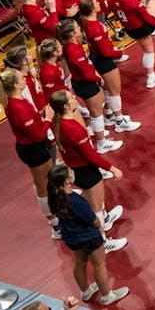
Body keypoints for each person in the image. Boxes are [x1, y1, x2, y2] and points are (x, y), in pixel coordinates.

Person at [49, 88, 126, 241]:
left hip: (75, 169)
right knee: (96, 206)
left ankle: (105, 220)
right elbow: (90, 155)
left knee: (94, 202)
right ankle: (103, 241)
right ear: (65, 106)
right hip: (86, 171)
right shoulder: (74, 129)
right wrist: (112, 168)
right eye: (71, 98)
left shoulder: (58, 124)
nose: (74, 98)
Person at [46, 164, 129, 304]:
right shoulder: (75, 200)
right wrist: (100, 228)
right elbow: (91, 219)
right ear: (66, 181)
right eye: (70, 172)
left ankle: (85, 291)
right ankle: (107, 296)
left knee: (79, 262)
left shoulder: (54, 196)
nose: (73, 172)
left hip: (71, 237)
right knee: (99, 264)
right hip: (88, 236)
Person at [0, 66, 58, 237]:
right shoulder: (17, 106)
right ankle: (55, 225)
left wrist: (41, 117)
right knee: (44, 186)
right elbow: (36, 135)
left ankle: (57, 215)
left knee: (45, 182)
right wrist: (48, 119)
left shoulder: (17, 101)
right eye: (21, 78)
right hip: (33, 149)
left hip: (32, 146)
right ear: (15, 85)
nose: (24, 79)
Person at [100, 0, 155, 90]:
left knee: (147, 51)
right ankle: (151, 77)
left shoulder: (111, 0)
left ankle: (151, 76)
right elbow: (146, 17)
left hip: (130, 29)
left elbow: (122, 6)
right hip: (142, 27)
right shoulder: (131, 0)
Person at [78, 0, 135, 132]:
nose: (99, 3)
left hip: (96, 58)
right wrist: (118, 52)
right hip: (104, 60)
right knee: (115, 91)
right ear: (92, 9)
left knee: (107, 90)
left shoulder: (86, 23)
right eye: (96, 2)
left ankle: (109, 115)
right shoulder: (95, 27)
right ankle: (120, 122)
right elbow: (105, 50)